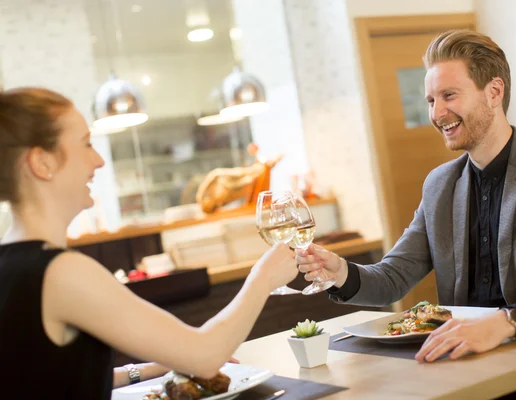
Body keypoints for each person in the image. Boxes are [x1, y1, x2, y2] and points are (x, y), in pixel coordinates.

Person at [297, 30, 516, 400]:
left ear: (494, 92)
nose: (436, 113)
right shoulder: (440, 185)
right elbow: (392, 278)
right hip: (462, 373)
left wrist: (506, 322)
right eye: (430, 100)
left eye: (449, 95)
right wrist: (340, 272)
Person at [0, 87, 298, 399]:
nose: (99, 160)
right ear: (42, 162)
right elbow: (206, 356)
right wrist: (264, 278)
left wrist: (148, 369)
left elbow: (43, 376)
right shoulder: (61, 272)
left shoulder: (11, 262)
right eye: (86, 144)